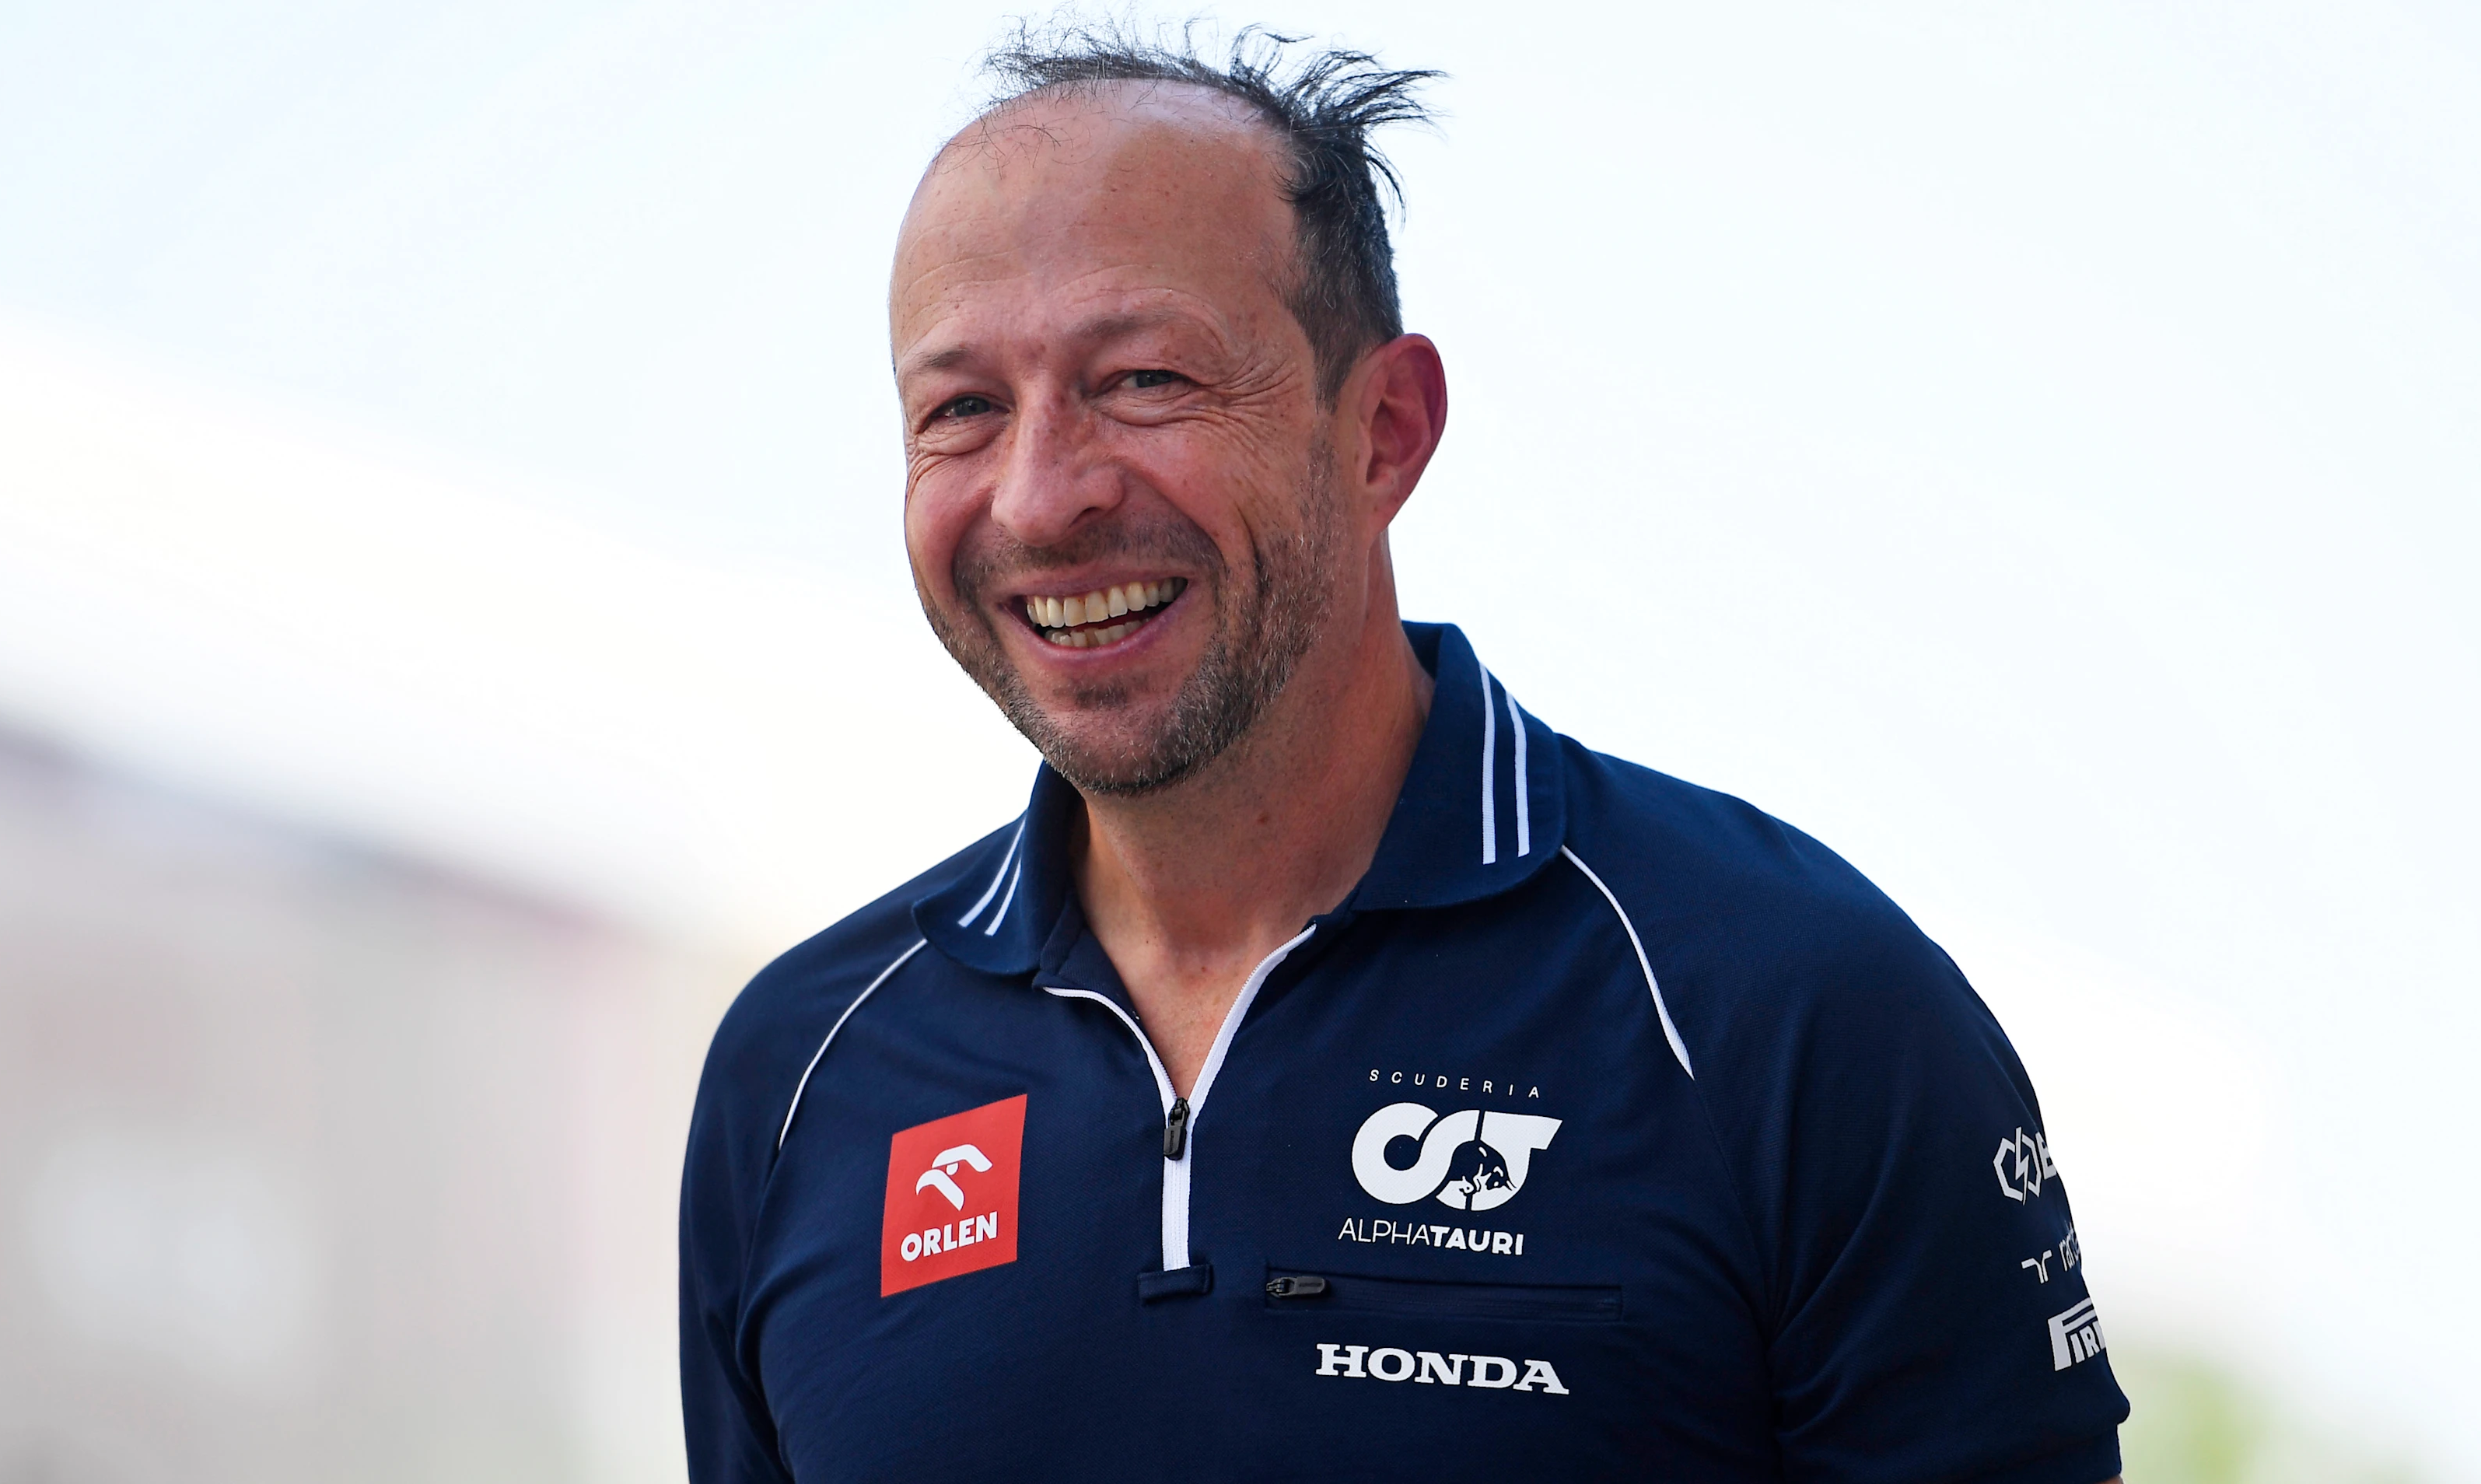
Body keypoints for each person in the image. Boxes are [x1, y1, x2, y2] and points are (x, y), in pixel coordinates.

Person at [680, 26, 2127, 1482]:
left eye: (1145, 380)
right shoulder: (802, 1078)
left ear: (1384, 431)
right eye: (962, 411)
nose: (1045, 498)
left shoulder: (1791, 1012)